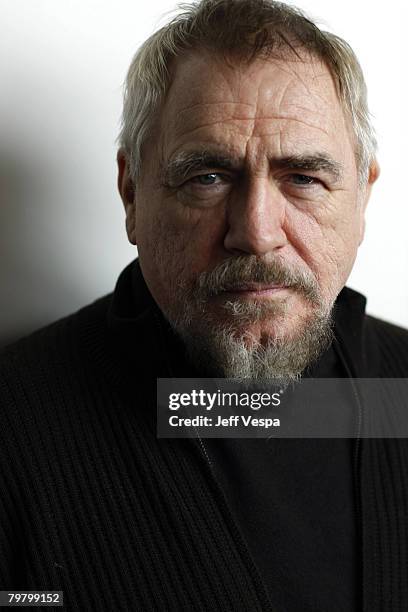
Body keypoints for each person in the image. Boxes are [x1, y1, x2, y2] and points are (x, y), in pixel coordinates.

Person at [1, 0, 407, 610]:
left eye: (303, 177)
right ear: (132, 193)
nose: (256, 230)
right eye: (207, 177)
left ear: (362, 197)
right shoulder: (14, 427)